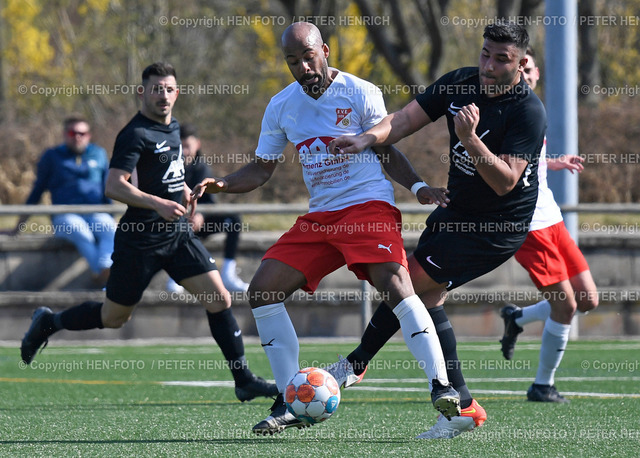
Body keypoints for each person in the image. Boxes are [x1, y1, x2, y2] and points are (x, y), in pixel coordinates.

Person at [192, 22, 460, 436]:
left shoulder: (359, 91)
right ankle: (289, 402)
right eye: (293, 61)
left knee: (395, 283)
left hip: (367, 206)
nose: (303, 67)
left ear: (326, 51)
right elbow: (263, 169)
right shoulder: (281, 105)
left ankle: (440, 385)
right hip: (321, 217)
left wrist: (420, 187)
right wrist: (223, 183)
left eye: (308, 56)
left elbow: (386, 147)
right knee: (262, 291)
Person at [329, 21, 546, 438]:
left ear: (520, 64)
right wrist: (365, 139)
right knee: (425, 298)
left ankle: (354, 365)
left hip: (496, 226)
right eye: (486, 53)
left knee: (405, 283)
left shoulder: (527, 111)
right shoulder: (460, 83)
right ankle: (463, 407)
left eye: (502, 59)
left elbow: (505, 182)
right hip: (458, 209)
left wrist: (470, 140)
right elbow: (406, 119)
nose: (489, 65)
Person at [19, 62, 277, 403]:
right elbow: (113, 186)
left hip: (177, 236)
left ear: (177, 93)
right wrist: (157, 204)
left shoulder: (173, 128)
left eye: (169, 89)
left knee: (219, 298)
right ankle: (49, 322)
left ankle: (243, 379)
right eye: (156, 89)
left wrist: (184, 189)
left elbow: (166, 172)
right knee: (114, 317)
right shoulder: (134, 134)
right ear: (142, 92)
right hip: (139, 239)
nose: (163, 96)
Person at [499, 47, 599, 403]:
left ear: (536, 74)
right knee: (566, 307)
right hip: (529, 227)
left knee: (587, 299)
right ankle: (542, 385)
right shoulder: (504, 111)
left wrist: (554, 162)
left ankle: (518, 317)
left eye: (528, 69)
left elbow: (530, 161)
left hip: (553, 218)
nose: (523, 75)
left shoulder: (531, 109)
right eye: (517, 69)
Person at [13, 116, 116, 287]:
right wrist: (19, 226)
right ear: (64, 134)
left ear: (88, 135)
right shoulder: (52, 156)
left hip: (96, 213)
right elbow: (36, 192)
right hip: (65, 217)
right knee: (80, 231)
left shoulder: (99, 154)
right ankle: (104, 275)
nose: (77, 136)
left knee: (108, 227)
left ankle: (106, 268)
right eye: (72, 132)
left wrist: (112, 215)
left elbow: (107, 189)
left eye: (82, 133)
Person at [166, 122, 249, 293]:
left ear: (197, 144)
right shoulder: (169, 169)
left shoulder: (202, 169)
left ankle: (228, 273)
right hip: (175, 221)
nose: (185, 152)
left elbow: (209, 202)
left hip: (199, 223)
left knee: (233, 219)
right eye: (181, 147)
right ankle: (174, 275)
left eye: (188, 146)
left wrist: (201, 215)